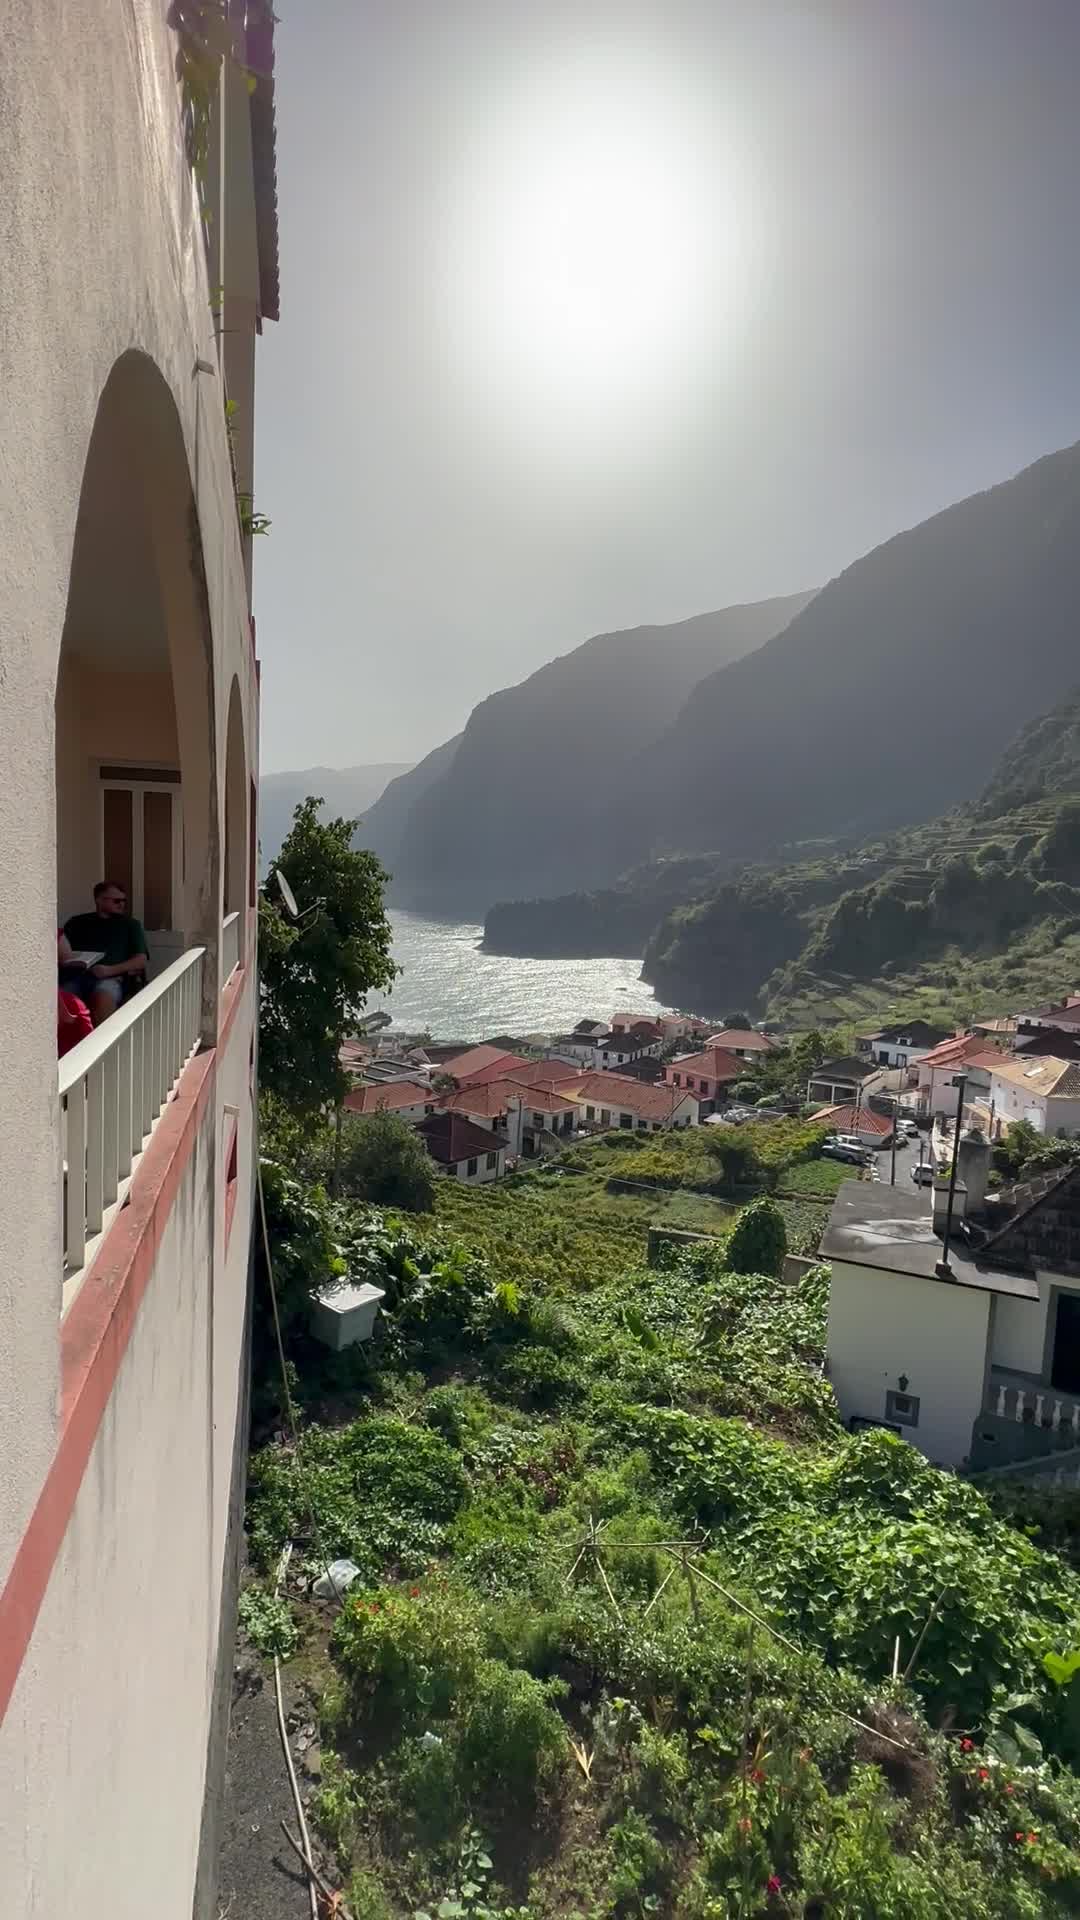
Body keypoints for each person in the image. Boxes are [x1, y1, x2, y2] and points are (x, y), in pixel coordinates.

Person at [63, 881, 149, 1027]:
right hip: (76, 976)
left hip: (110, 978)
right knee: (60, 997)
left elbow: (141, 960)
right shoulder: (77, 923)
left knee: (103, 996)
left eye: (124, 901)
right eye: (116, 901)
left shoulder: (130, 925)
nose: (121, 904)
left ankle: (102, 1045)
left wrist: (109, 970)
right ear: (99, 900)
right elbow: (61, 951)